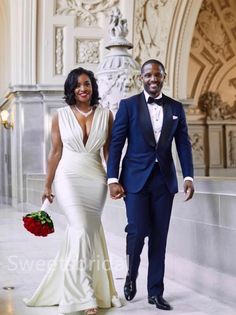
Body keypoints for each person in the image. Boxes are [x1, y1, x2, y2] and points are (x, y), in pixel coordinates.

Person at [24, 67, 121, 315]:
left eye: (87, 84)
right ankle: (84, 295)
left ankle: (84, 288)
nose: (83, 88)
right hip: (68, 176)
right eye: (78, 84)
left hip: (95, 178)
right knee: (79, 229)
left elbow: (109, 152)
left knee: (86, 233)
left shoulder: (106, 114)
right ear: (71, 88)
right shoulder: (60, 115)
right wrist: (48, 184)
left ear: (93, 87)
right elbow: (55, 151)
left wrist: (113, 179)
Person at [107, 59, 194, 311]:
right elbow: (116, 144)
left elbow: (183, 144)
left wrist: (188, 176)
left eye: (157, 75)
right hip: (134, 181)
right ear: (141, 78)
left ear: (163, 77)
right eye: (148, 75)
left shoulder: (175, 107)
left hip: (164, 182)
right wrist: (113, 178)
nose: (153, 79)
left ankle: (156, 292)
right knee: (136, 231)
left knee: (159, 238)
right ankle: (131, 274)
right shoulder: (128, 106)